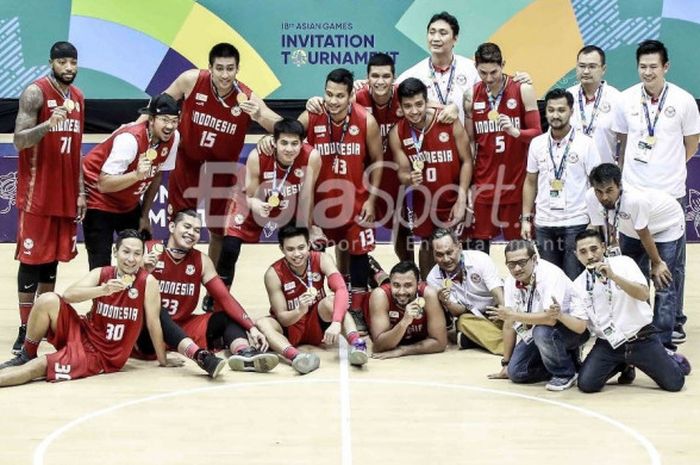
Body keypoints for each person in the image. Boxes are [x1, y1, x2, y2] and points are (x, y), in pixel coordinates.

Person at [0, 231, 189, 386]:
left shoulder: (148, 282)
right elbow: (68, 295)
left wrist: (163, 360)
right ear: (115, 252)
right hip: (85, 332)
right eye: (126, 252)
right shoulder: (103, 273)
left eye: (137, 254)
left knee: (38, 366)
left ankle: (26, 365)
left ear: (142, 257)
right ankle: (27, 353)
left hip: (101, 355)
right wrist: (102, 290)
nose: (131, 259)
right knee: (47, 300)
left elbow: (154, 323)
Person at [158, 42, 281, 267]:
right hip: (188, 163)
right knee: (181, 225)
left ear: (237, 69)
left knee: (219, 231)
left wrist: (261, 120)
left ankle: (211, 286)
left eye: (230, 68)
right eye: (220, 68)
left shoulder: (246, 97)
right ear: (210, 68)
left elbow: (283, 126)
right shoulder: (191, 80)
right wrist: (135, 126)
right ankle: (175, 277)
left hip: (223, 169)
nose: (225, 74)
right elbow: (159, 105)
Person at [612, 39, 700, 343]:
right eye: (643, 66)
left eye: (653, 66)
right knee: (632, 260)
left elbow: (691, 144)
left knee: (670, 265)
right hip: (633, 192)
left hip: (669, 194)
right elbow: (622, 143)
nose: (647, 72)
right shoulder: (625, 99)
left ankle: (672, 322)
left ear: (666, 67)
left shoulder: (684, 100)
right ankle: (639, 322)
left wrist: (669, 169)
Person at [137, 209, 278, 373]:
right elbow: (123, 289)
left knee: (227, 317)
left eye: (197, 230)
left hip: (183, 325)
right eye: (187, 227)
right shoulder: (148, 250)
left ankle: (245, 354)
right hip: (149, 328)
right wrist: (140, 269)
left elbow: (224, 298)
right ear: (172, 226)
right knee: (156, 309)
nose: (191, 233)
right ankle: (200, 356)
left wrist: (251, 327)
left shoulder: (201, 261)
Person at [11, 41, 85, 354]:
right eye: (62, 62)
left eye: (72, 62)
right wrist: (46, 125)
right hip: (37, 194)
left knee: (51, 263)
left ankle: (42, 325)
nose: (68, 68)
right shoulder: (35, 93)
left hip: (66, 194)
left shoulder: (79, 98)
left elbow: (78, 149)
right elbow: (18, 140)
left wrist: (81, 191)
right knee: (31, 261)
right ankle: (25, 328)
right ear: (51, 62)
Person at [298, 68, 384, 333]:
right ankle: (317, 308)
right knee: (315, 258)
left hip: (355, 202)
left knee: (358, 254)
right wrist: (269, 142)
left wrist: (371, 200)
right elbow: (285, 135)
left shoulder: (365, 120)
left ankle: (356, 309)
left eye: (339, 96)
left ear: (351, 97)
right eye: (329, 94)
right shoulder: (312, 114)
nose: (333, 100)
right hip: (319, 203)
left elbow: (378, 161)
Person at [572, 229, 690, 392]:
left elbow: (643, 294)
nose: (590, 256)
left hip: (641, 339)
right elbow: (580, 324)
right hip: (609, 344)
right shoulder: (578, 285)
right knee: (586, 385)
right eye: (583, 252)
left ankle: (667, 356)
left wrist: (614, 277)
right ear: (576, 255)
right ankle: (624, 364)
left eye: (594, 249)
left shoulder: (624, 263)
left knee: (675, 384)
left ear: (604, 247)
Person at [212, 119, 320, 296]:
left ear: (302, 144)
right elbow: (247, 195)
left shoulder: (312, 157)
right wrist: (256, 205)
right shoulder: (258, 156)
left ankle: (306, 293)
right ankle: (217, 297)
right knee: (230, 247)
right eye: (284, 143)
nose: (289, 149)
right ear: (275, 142)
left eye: (294, 144)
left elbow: (307, 197)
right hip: (253, 204)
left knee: (303, 246)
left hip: (288, 205)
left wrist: (307, 230)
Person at [586, 163, 685, 350]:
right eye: (599, 191)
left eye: (609, 190)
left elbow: (644, 234)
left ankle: (662, 343)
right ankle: (642, 329)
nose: (604, 197)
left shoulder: (634, 200)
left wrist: (657, 263)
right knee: (634, 280)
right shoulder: (591, 197)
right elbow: (601, 229)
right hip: (631, 229)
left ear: (619, 185)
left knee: (663, 282)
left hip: (666, 226)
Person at [82, 93, 180, 270]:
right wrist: (136, 175)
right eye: (164, 120)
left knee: (140, 257)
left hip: (128, 202)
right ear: (151, 119)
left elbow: (157, 175)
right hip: (98, 198)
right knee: (101, 265)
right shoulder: (129, 140)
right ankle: (102, 297)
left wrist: (144, 215)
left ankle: (133, 296)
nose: (170, 126)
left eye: (174, 120)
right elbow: (103, 184)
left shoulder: (173, 138)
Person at [462, 42, 542, 254]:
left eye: (494, 72)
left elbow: (538, 134)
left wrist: (516, 132)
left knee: (520, 250)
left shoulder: (522, 89)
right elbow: (470, 142)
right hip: (484, 184)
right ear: (475, 67)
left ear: (503, 64)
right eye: (483, 72)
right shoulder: (470, 96)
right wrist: (470, 183)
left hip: (516, 184)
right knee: (477, 250)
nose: (489, 78)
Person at [257, 225, 369, 374]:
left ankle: (357, 344)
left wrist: (336, 322)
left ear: (309, 245)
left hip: (317, 321)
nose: (297, 254)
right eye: (290, 249)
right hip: (290, 326)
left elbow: (341, 289)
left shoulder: (322, 259)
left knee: (333, 301)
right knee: (262, 323)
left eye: (301, 247)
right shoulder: (273, 274)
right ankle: (297, 358)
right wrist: (299, 310)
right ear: (281, 249)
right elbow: (282, 317)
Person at [389, 78, 471, 277]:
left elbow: (467, 161)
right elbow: (402, 172)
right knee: (427, 246)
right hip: (424, 204)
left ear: (427, 102)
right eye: (407, 106)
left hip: (452, 201)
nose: (414, 111)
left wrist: (462, 199)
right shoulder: (397, 133)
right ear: (400, 107)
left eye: (419, 104)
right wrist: (410, 178)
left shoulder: (448, 121)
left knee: (459, 248)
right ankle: (427, 291)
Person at [485, 240, 589, 391]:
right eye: (511, 264)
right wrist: (506, 363)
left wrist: (513, 315)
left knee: (541, 331)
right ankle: (570, 361)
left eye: (522, 262)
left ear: (534, 259)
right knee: (517, 373)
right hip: (536, 332)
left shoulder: (551, 275)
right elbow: (509, 324)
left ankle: (564, 373)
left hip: (571, 329)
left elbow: (551, 319)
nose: (517, 268)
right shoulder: (510, 282)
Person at [522, 88, 601, 279]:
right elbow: (530, 182)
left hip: (576, 222)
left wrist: (595, 221)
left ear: (571, 111)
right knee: (551, 281)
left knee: (575, 280)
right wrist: (525, 219)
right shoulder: (537, 144)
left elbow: (596, 185)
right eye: (551, 110)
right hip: (544, 224)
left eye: (561, 110)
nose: (555, 115)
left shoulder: (586, 143)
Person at [426, 229, 508, 367]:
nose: (446, 259)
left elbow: (497, 292)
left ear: (459, 247)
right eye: (439, 255)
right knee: (463, 322)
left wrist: (506, 313)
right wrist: (447, 302)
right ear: (433, 254)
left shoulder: (480, 259)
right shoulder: (433, 278)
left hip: (495, 309)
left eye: (449, 252)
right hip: (472, 317)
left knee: (512, 316)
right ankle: (509, 346)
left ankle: (472, 339)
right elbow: (460, 311)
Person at [396, 12, 479, 124]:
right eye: (432, 32)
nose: (435, 38)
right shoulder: (412, 74)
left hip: (464, 138)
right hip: (426, 139)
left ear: (455, 38)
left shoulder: (472, 70)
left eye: (443, 33)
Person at [368, 261, 447, 359]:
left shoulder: (429, 295)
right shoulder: (380, 296)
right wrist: (404, 323)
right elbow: (379, 347)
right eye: (396, 285)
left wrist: (403, 350)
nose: (401, 292)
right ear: (390, 283)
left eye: (408, 285)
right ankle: (376, 273)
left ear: (418, 284)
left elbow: (440, 343)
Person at [566, 45, 622, 164]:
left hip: (604, 175)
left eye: (592, 66)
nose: (586, 71)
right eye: (582, 66)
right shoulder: (567, 96)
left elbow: (624, 141)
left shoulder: (617, 99)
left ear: (603, 69)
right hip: (572, 173)